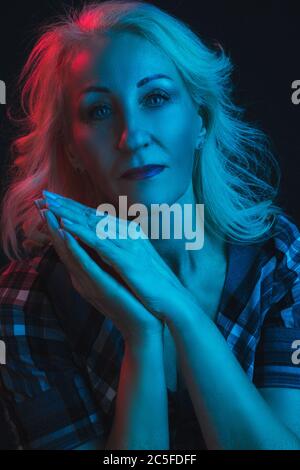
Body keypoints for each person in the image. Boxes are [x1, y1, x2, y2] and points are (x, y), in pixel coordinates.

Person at [0, 0, 300, 450]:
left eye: (155, 98)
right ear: (73, 150)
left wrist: (175, 306)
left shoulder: (278, 261)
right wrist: (140, 336)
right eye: (99, 111)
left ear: (200, 122)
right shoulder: (26, 300)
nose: (132, 136)